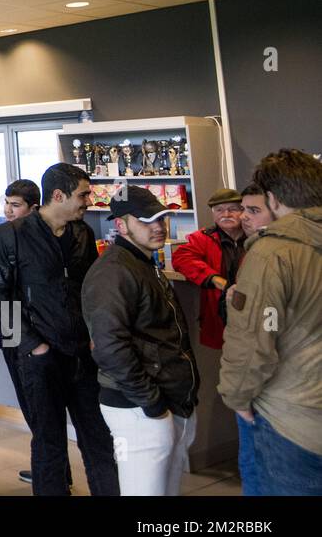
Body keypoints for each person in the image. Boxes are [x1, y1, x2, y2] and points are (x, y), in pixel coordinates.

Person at [0, 163, 118, 496]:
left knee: (99, 439)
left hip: (82, 355)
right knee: (49, 445)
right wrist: (34, 346)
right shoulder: (10, 235)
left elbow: (90, 288)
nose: (89, 200)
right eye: (83, 194)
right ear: (58, 196)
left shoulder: (83, 234)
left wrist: (93, 337)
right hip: (39, 359)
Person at [219, 148, 322, 496]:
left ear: (273, 198)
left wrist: (237, 397)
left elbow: (254, 340)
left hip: (289, 419)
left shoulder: (272, 252)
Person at [82, 189, 197, 496]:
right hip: (138, 406)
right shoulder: (113, 271)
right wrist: (151, 402)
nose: (157, 226)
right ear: (121, 225)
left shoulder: (142, 262)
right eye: (146, 220)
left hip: (166, 400)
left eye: (161, 217)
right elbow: (109, 347)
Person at [0, 178, 41, 484]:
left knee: (38, 402)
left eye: (16, 205)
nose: (8, 210)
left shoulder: (40, 239)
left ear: (34, 208)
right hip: (13, 328)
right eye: (7, 203)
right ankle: (49, 465)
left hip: (34, 330)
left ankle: (49, 467)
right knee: (28, 401)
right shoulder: (5, 236)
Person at [173, 188, 247, 350]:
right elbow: (181, 258)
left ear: (244, 211)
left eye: (233, 209)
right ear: (213, 214)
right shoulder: (203, 238)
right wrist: (215, 279)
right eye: (219, 210)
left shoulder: (255, 236)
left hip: (253, 310)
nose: (226, 214)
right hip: (221, 316)